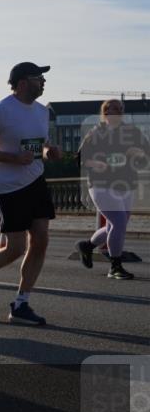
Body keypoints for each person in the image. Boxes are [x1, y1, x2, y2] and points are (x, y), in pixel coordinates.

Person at [0, 62, 62, 325]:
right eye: (38, 78)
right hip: (7, 186)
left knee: (41, 240)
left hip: (35, 181)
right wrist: (13, 158)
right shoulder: (1, 110)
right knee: (16, 247)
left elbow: (40, 145)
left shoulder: (42, 111)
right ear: (22, 83)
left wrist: (48, 152)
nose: (43, 82)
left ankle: (21, 304)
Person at [75, 98, 150, 280]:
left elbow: (146, 154)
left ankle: (87, 246)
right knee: (119, 223)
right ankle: (115, 266)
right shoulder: (96, 133)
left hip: (127, 183)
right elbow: (81, 158)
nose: (114, 111)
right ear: (104, 113)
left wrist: (139, 154)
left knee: (114, 225)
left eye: (118, 108)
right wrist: (95, 164)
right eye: (110, 109)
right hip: (101, 184)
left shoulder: (133, 132)